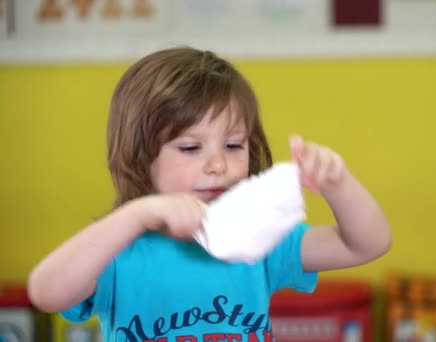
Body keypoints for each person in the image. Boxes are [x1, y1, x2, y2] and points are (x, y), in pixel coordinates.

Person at [27, 46, 391, 342]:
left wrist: (336, 183)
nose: (218, 164)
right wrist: (135, 215)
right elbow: (46, 292)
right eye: (190, 148)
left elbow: (366, 244)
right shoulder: (117, 250)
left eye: (234, 145)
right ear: (139, 157)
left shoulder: (259, 239)